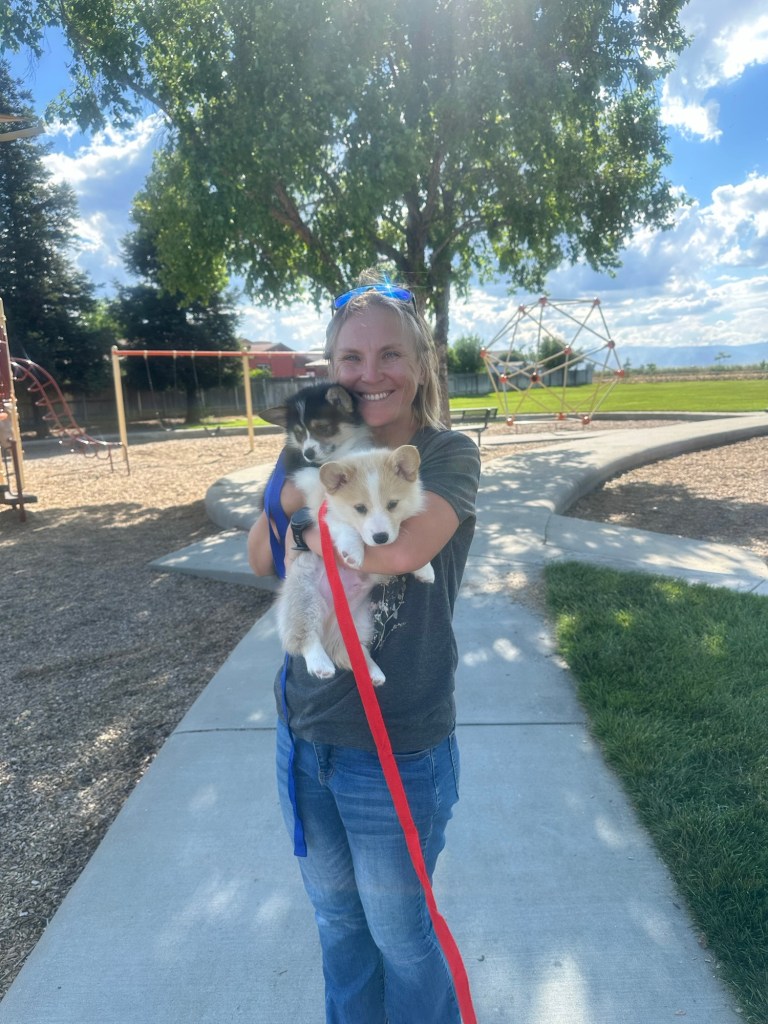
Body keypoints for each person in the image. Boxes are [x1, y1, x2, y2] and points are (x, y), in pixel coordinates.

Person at [248, 274, 481, 1024]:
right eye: (352, 358)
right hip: (308, 728)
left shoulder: (443, 454)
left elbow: (398, 551)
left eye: (390, 355)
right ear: (332, 368)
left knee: (401, 936)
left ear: (420, 363)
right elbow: (261, 555)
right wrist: (292, 493)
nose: (370, 374)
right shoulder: (315, 444)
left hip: (396, 746)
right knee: (339, 926)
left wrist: (308, 517)